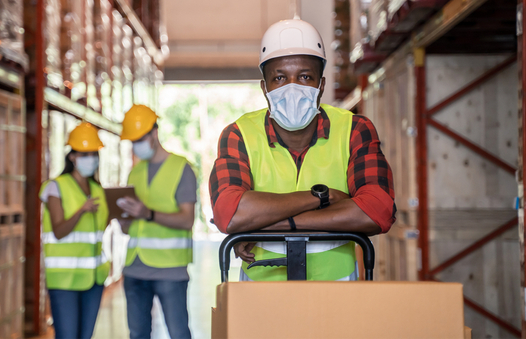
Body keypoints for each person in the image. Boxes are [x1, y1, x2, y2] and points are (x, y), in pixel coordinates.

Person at [209, 18, 396, 281]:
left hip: (337, 289)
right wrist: (322, 197)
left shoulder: (354, 129)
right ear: (265, 88)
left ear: (321, 85)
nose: (292, 88)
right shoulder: (239, 134)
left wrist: (262, 226)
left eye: (305, 76)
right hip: (261, 295)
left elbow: (378, 211)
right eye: (279, 78)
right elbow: (230, 212)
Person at [118, 104, 196, 339]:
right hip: (135, 268)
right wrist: (122, 218)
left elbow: (187, 219)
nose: (135, 145)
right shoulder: (135, 172)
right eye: (132, 140)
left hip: (169, 270)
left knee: (178, 333)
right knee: (137, 333)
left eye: (139, 139)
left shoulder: (182, 168)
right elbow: (131, 226)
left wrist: (148, 213)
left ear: (154, 133)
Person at [39, 122, 109, 339]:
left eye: (94, 154)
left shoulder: (98, 189)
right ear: (72, 157)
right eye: (85, 154)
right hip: (65, 281)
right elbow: (59, 231)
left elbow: (100, 229)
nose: (91, 159)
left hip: (94, 279)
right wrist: (81, 211)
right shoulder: (55, 187)